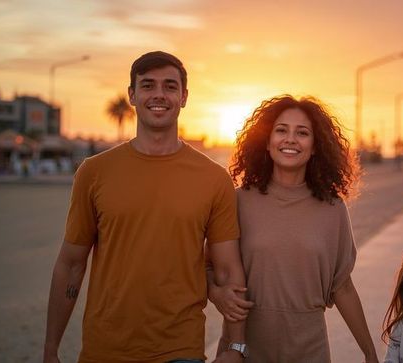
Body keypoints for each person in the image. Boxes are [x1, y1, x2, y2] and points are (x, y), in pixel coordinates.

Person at [43, 51, 247, 363]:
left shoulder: (214, 179)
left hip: (180, 349)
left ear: (184, 97)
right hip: (105, 349)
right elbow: (71, 263)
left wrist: (236, 347)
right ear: (132, 95)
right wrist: (50, 349)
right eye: (148, 85)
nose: (159, 95)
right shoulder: (94, 172)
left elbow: (228, 270)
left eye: (170, 86)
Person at [209, 95, 379, 363]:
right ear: (266, 142)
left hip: (309, 350)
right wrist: (216, 293)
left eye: (302, 133)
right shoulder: (237, 201)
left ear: (315, 147)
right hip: (243, 351)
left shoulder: (332, 208)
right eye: (281, 130)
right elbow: (208, 266)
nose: (290, 139)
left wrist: (369, 352)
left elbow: (342, 286)